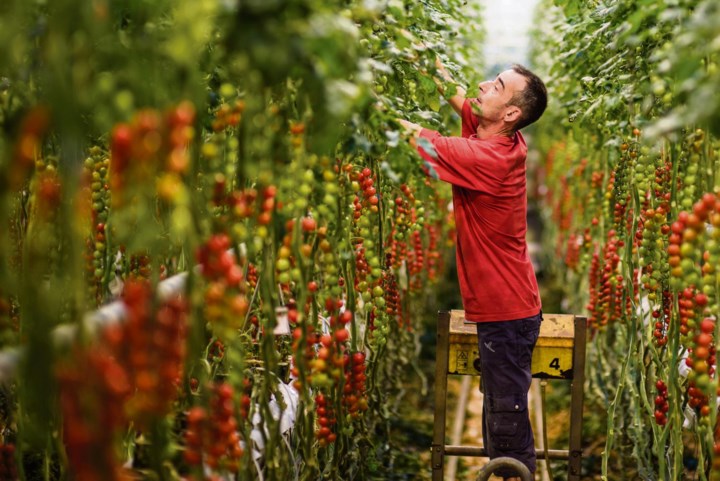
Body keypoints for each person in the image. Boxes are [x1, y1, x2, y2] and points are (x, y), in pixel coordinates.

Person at [398, 60, 547, 480]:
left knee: (506, 418)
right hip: (507, 308)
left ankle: (514, 476)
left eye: (496, 85)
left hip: (506, 314)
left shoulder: (488, 159)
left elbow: (415, 138)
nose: (483, 85)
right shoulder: (498, 136)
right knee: (500, 408)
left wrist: (357, 99)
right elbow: (459, 98)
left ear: (512, 113)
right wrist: (425, 59)